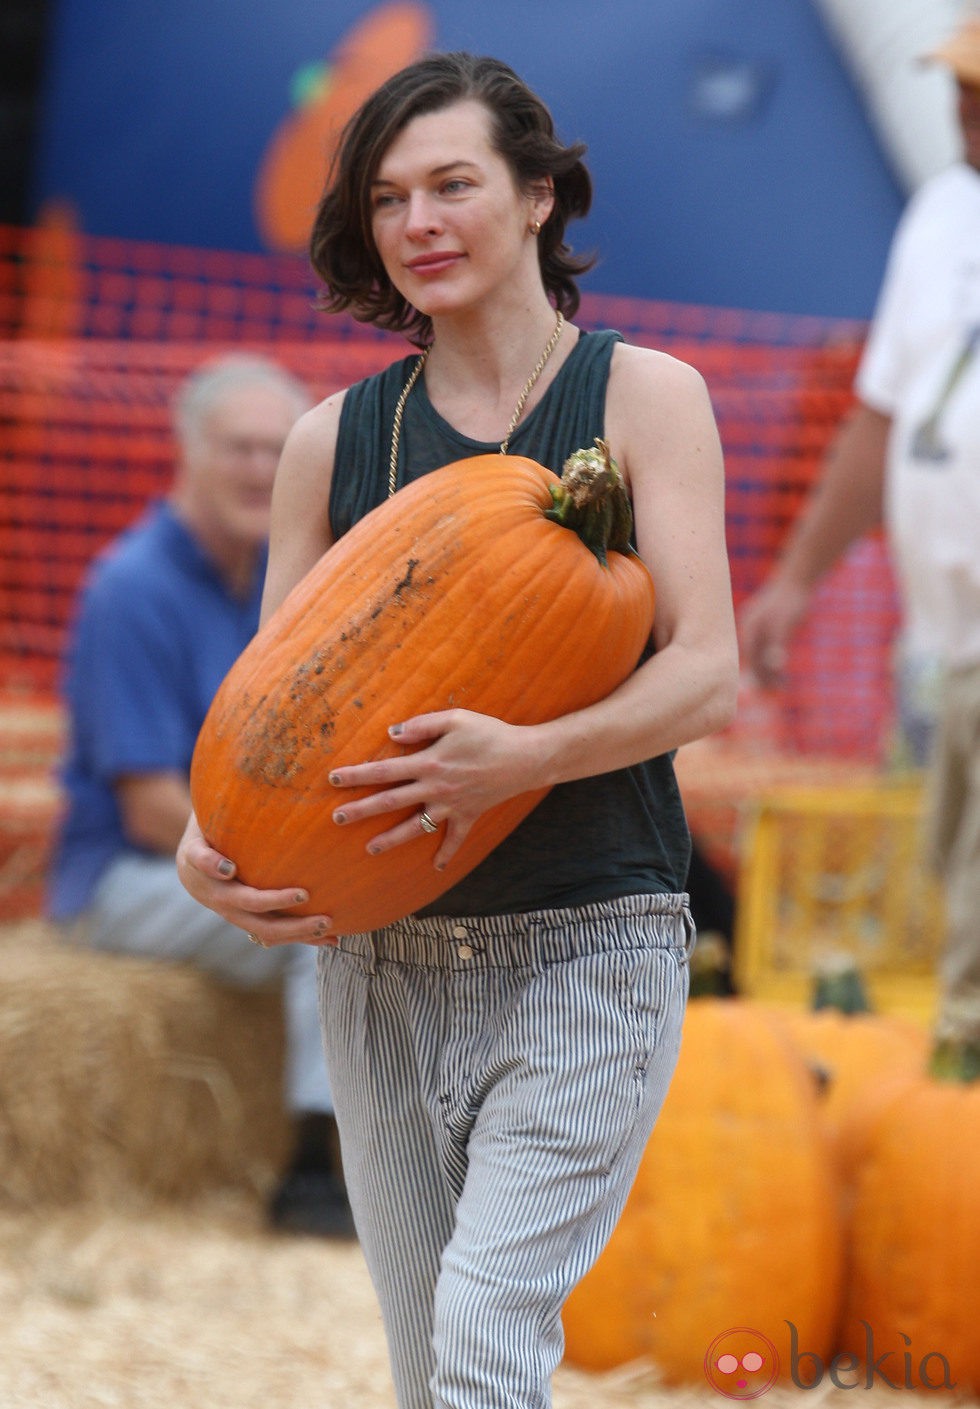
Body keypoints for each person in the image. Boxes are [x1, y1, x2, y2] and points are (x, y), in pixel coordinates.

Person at [177, 53, 738, 1409]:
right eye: (387, 199)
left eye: (452, 185)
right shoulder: (332, 443)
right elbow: (276, 709)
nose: (417, 222)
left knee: (486, 1333)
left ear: (539, 198)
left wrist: (530, 753)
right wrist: (213, 848)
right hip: (381, 966)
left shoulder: (644, 399)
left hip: (591, 938)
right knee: (432, 1365)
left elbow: (709, 675)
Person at [47, 353, 355, 1239]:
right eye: (239, 449)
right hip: (121, 882)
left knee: (366, 914)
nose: (260, 470)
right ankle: (311, 1167)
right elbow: (149, 810)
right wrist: (301, 869)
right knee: (322, 927)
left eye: (276, 451)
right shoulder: (131, 588)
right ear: (186, 451)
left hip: (230, 859)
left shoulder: (281, 579)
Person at [739, 15, 980, 1057]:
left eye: (978, 90)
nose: (959, 105)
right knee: (946, 886)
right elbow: (880, 415)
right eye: (957, 85)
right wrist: (794, 580)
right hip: (943, 648)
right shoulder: (940, 211)